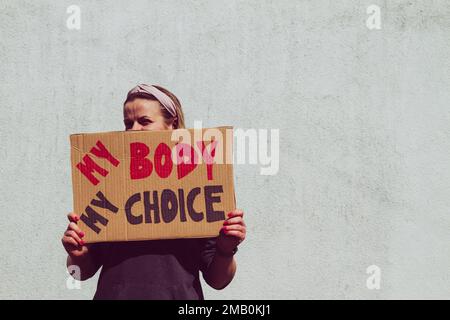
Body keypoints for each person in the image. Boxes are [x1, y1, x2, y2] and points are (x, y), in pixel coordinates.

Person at [61, 84, 247, 299]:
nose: (133, 130)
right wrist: (76, 254)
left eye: (145, 121)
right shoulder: (108, 183)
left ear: (172, 124)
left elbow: (218, 281)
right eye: (128, 123)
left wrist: (225, 250)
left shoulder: (199, 184)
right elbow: (81, 273)